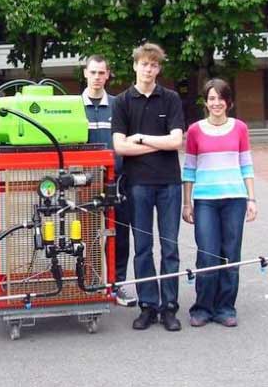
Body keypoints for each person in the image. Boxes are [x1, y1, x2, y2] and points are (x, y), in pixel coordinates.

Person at [111, 43, 185, 331]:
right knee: (142, 248)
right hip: (137, 185)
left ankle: (169, 307)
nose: (149, 69)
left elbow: (176, 141)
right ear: (135, 66)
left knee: (170, 248)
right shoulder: (122, 102)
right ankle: (147, 306)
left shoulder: (171, 99)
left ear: (159, 69)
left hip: (169, 184)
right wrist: (157, 143)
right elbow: (119, 147)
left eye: (154, 65)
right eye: (144, 64)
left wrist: (140, 138)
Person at [182, 78, 257, 328]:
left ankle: (225, 307)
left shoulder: (240, 128)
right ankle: (203, 307)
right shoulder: (194, 130)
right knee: (207, 255)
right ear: (206, 102)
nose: (216, 103)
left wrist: (251, 199)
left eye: (221, 98)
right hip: (205, 201)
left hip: (234, 200)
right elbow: (189, 169)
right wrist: (187, 203)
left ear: (229, 102)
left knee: (231, 255)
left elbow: (246, 164)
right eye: (211, 98)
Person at [82, 55, 136, 307]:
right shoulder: (74, 107)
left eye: (101, 73)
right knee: (86, 235)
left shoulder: (119, 105)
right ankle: (91, 283)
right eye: (93, 72)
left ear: (107, 75)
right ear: (85, 73)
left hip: (118, 181)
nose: (97, 77)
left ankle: (117, 284)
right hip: (85, 182)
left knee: (119, 235)